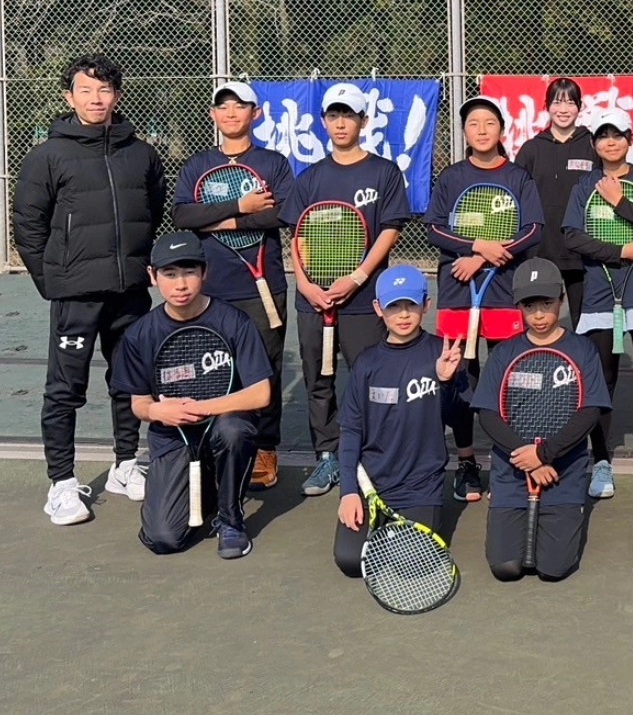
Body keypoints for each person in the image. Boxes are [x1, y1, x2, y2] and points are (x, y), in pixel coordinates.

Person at [12, 53, 167, 525]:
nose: (95, 98)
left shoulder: (141, 153)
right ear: (69, 97)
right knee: (65, 389)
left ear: (116, 95)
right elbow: (27, 226)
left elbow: (152, 210)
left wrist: (136, 263)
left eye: (104, 90)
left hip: (129, 292)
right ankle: (61, 483)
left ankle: (125, 465)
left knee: (130, 381)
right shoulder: (47, 156)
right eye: (85, 90)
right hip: (75, 295)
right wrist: (54, 281)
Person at [279, 82, 410, 498]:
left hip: (363, 299)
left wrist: (356, 278)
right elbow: (298, 236)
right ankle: (327, 456)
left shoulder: (384, 172)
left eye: (348, 115)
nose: (340, 123)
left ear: (363, 121)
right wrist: (305, 284)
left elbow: (389, 229)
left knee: (367, 378)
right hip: (313, 300)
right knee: (319, 379)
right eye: (333, 115)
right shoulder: (310, 178)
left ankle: (370, 455)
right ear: (323, 122)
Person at [111, 232, 272, 558]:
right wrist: (157, 412)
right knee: (163, 539)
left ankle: (231, 520)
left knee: (234, 431)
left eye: (189, 272)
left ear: (205, 272)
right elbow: (139, 403)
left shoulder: (234, 322)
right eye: (170, 274)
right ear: (153, 276)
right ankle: (208, 489)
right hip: (174, 437)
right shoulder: (140, 335)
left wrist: (203, 408)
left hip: (223, 427)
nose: (181, 284)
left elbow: (260, 394)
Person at [172, 81, 294, 491]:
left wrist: (217, 221)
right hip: (210, 289)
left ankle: (265, 448)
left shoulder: (273, 163)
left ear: (255, 114)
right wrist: (239, 208)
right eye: (222, 106)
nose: (230, 113)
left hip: (263, 287)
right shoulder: (197, 165)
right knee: (212, 371)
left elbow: (281, 214)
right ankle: (210, 446)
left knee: (265, 370)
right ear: (213, 114)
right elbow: (183, 216)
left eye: (239, 106)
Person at [424, 94, 542, 503]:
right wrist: (476, 247)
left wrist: (487, 255)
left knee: (511, 380)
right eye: (473, 124)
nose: (481, 130)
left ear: (501, 130)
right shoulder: (451, 177)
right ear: (464, 132)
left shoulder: (518, 177)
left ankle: (511, 462)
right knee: (461, 380)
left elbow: (533, 230)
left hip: (504, 293)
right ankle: (467, 463)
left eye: (489, 123)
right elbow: (433, 229)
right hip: (459, 293)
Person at [473, 259, 610, 581]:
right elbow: (488, 414)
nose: (538, 314)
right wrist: (530, 460)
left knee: (554, 569)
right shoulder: (504, 353)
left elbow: (590, 412)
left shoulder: (583, 350)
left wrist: (545, 454)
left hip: (563, 471)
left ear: (561, 300)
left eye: (546, 304)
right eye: (529, 305)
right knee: (505, 568)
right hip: (513, 470)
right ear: (518, 307)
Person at [560, 108, 633, 499]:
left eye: (618, 134)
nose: (611, 142)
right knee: (601, 382)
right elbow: (572, 237)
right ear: (594, 143)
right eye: (603, 135)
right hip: (599, 296)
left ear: (630, 139)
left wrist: (621, 201)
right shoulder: (583, 185)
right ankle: (601, 462)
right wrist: (620, 251)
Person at [334, 266, 469, 578]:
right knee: (350, 562)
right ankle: (386, 530)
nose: (404, 314)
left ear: (426, 305)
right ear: (378, 308)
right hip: (371, 484)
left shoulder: (443, 354)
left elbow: (458, 417)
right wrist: (348, 492)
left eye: (411, 304)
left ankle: (397, 535)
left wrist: (446, 381)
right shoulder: (366, 363)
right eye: (394, 306)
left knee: (411, 565)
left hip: (421, 487)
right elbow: (351, 430)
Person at [515, 77, 594, 326]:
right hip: (540, 248)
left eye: (570, 103)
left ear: (579, 107)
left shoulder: (593, 145)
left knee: (584, 322)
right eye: (557, 102)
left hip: (582, 248)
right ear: (547, 106)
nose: (563, 109)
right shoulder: (531, 149)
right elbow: (517, 198)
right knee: (539, 320)